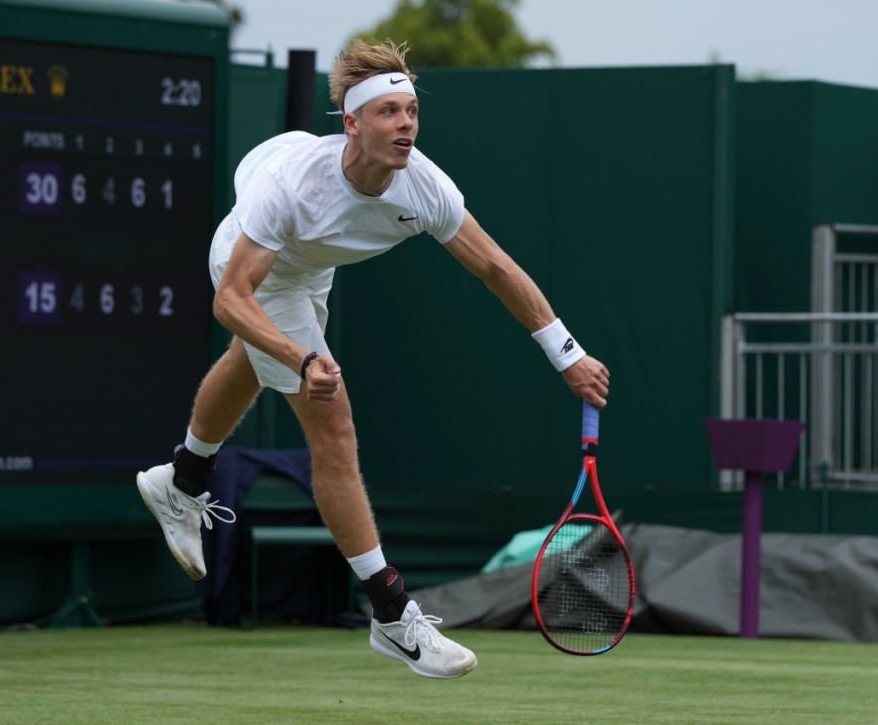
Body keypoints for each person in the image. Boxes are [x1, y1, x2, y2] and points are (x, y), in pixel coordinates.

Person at [137, 38, 610, 680]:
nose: (406, 125)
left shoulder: (426, 187)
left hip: (311, 267)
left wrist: (567, 355)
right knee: (332, 425)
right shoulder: (291, 188)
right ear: (353, 123)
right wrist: (301, 358)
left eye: (412, 111)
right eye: (388, 112)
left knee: (252, 363)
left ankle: (181, 481)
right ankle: (393, 616)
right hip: (254, 265)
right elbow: (232, 299)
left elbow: (496, 268)